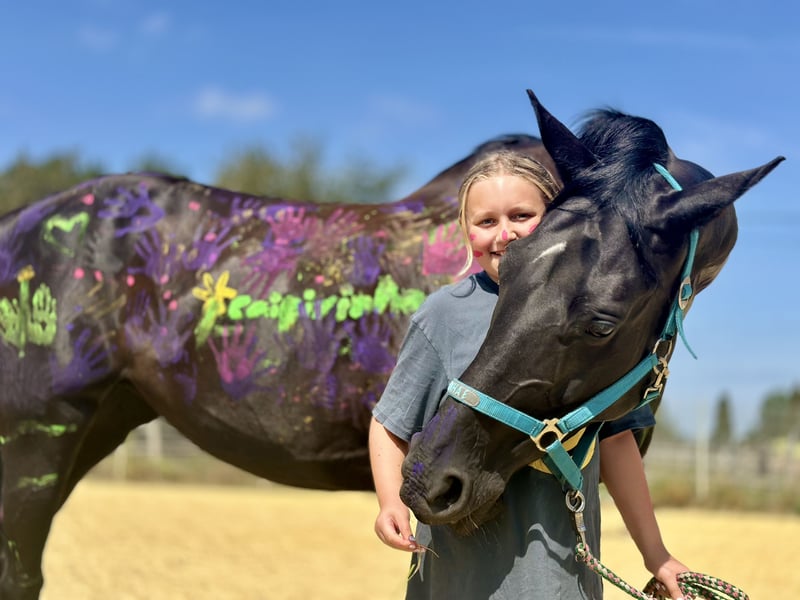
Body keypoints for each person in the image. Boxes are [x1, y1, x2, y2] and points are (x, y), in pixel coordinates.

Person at [369, 150, 688, 599]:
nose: (505, 234)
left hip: (561, 581)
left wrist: (656, 555)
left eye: (522, 215)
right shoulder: (444, 315)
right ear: (466, 231)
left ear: (556, 219)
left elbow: (616, 441)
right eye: (486, 221)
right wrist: (389, 502)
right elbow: (391, 422)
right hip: (461, 579)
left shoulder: (589, 313)